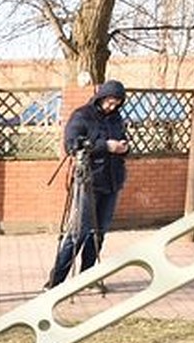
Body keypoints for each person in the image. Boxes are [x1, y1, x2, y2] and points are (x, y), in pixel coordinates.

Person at [46, 79, 131, 288]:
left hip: (112, 181)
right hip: (88, 181)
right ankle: (55, 281)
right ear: (101, 97)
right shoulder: (82, 115)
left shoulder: (117, 119)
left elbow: (123, 141)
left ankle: (88, 278)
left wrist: (124, 148)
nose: (112, 107)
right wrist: (105, 146)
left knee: (99, 232)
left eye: (117, 103)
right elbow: (71, 145)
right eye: (110, 102)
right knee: (79, 232)